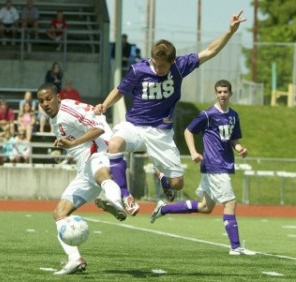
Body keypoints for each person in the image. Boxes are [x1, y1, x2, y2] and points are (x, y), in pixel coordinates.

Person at [94, 12, 246, 213]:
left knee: (177, 184)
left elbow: (210, 51)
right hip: (134, 125)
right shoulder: (139, 70)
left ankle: (163, 178)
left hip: (161, 132)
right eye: (156, 64)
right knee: (114, 144)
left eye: (163, 66)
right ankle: (125, 195)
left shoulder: (179, 67)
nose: (158, 69)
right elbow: (119, 91)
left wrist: (230, 31)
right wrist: (104, 105)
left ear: (172, 62)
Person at [150, 79, 256, 256]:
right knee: (230, 202)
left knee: (206, 207)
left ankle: (163, 208)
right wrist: (193, 152)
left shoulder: (233, 116)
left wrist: (240, 149)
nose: (222, 95)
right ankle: (236, 247)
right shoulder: (208, 114)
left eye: (225, 92)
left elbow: (233, 139)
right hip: (215, 165)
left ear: (230, 94)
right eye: (219, 92)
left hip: (221, 165)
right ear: (215, 94)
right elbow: (188, 131)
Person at [36, 83, 128, 275]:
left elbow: (98, 128)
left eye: (48, 98)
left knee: (102, 175)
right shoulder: (56, 117)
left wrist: (73, 143)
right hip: (83, 168)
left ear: (57, 97)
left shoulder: (66, 109)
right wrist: (68, 144)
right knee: (60, 213)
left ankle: (116, 201)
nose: (45, 103)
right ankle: (74, 259)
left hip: (98, 150)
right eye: (41, 100)